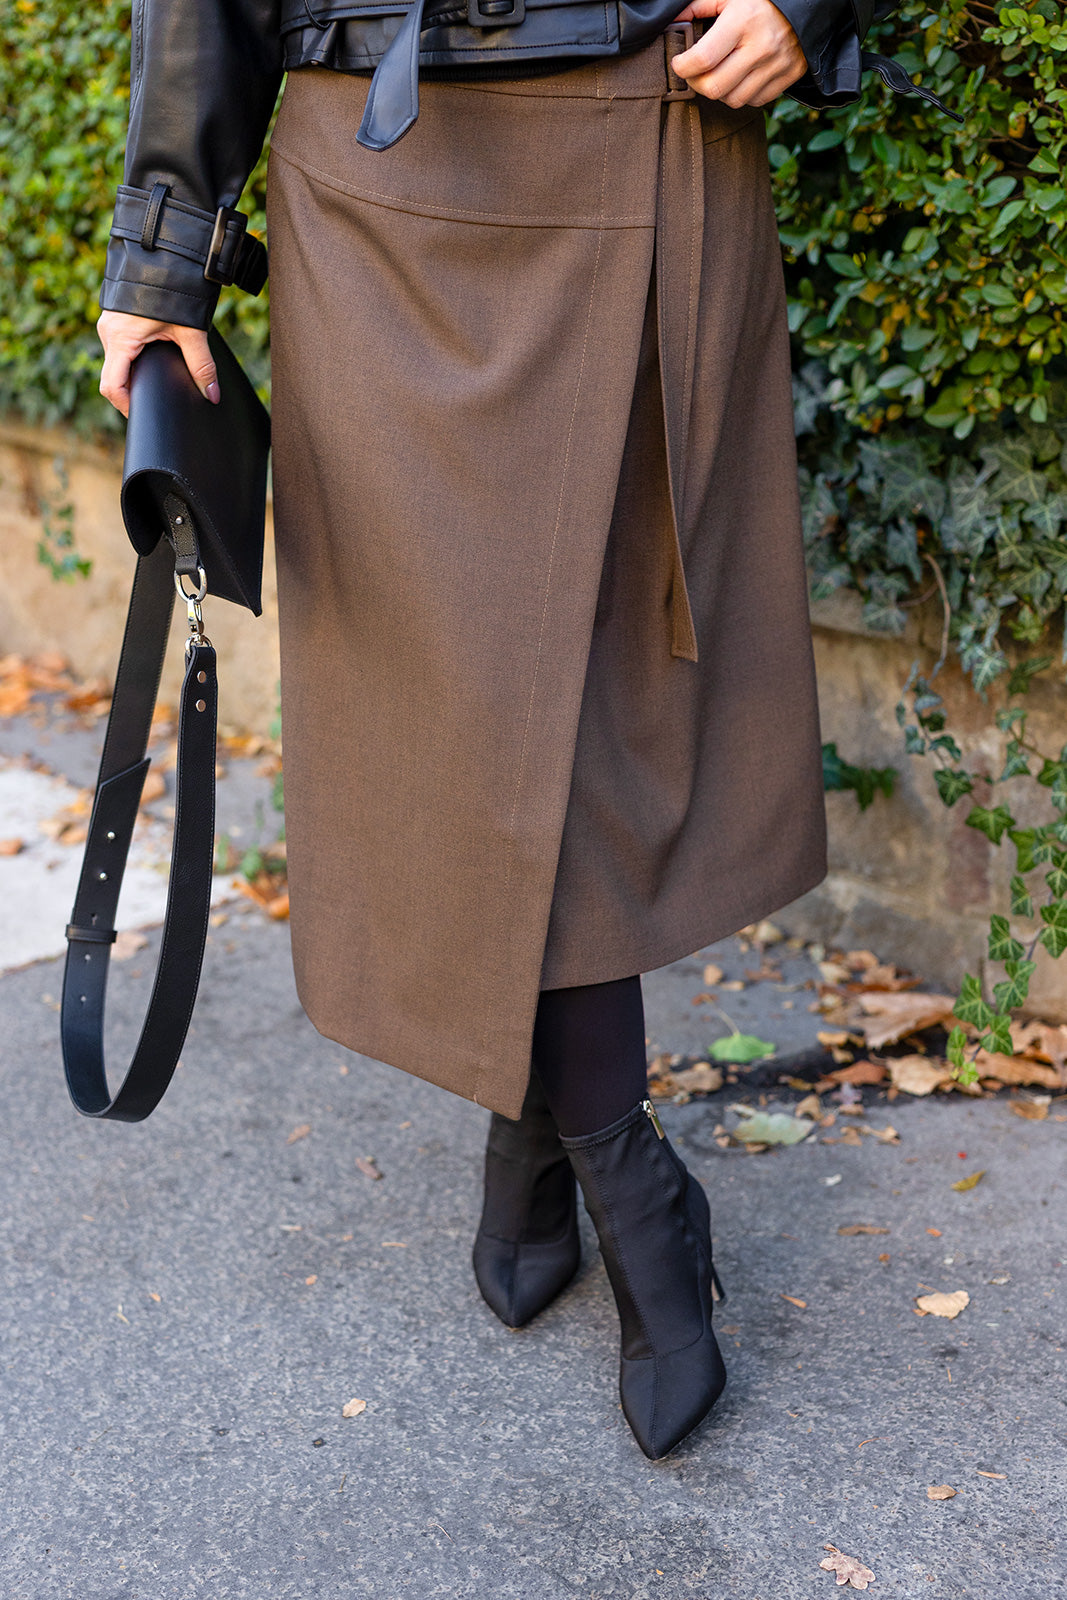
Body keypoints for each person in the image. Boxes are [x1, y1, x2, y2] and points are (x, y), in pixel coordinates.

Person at [96, 0, 920, 1459]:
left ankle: (548, 1125)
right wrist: (162, 250)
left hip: (646, 129)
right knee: (452, 697)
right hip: (377, 186)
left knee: (588, 691)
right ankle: (619, 1162)